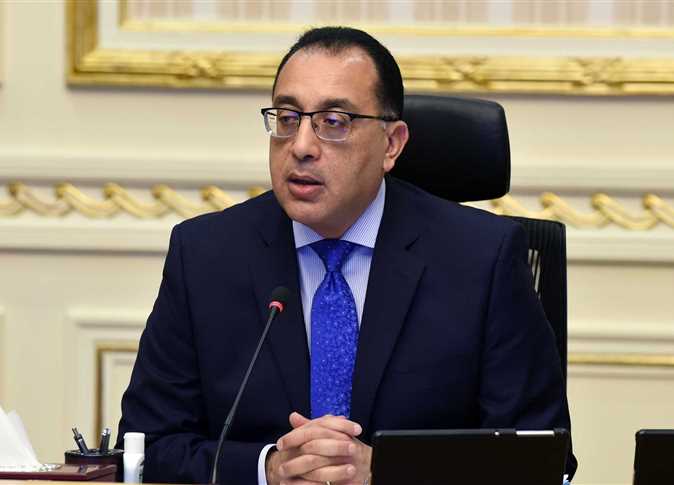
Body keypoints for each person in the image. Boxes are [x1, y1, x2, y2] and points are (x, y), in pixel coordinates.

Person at [118, 26, 577, 485]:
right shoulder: (206, 255)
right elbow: (146, 447)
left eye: (334, 122)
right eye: (287, 118)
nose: (301, 146)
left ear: (391, 144)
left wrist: (384, 473)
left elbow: (539, 460)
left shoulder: (482, 259)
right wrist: (268, 468)